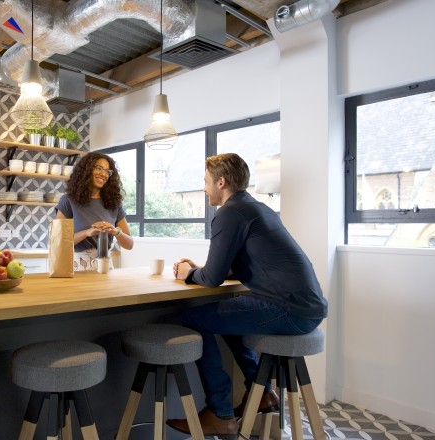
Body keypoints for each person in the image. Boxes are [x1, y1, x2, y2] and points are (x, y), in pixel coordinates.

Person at [165, 153, 328, 437]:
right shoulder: (255, 208)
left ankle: (219, 412)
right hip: (305, 307)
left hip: (289, 309)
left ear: (221, 182)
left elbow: (213, 279)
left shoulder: (229, 213)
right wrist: (200, 270)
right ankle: (261, 392)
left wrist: (188, 275)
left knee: (194, 318)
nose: (204, 188)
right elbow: (233, 267)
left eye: (205, 182)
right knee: (228, 316)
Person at [55, 152, 134, 270]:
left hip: (106, 267)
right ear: (86, 170)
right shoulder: (68, 201)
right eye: (99, 168)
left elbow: (129, 245)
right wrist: (87, 232)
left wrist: (115, 231)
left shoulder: (114, 204)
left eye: (108, 171)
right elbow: (59, 242)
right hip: (77, 267)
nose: (104, 174)